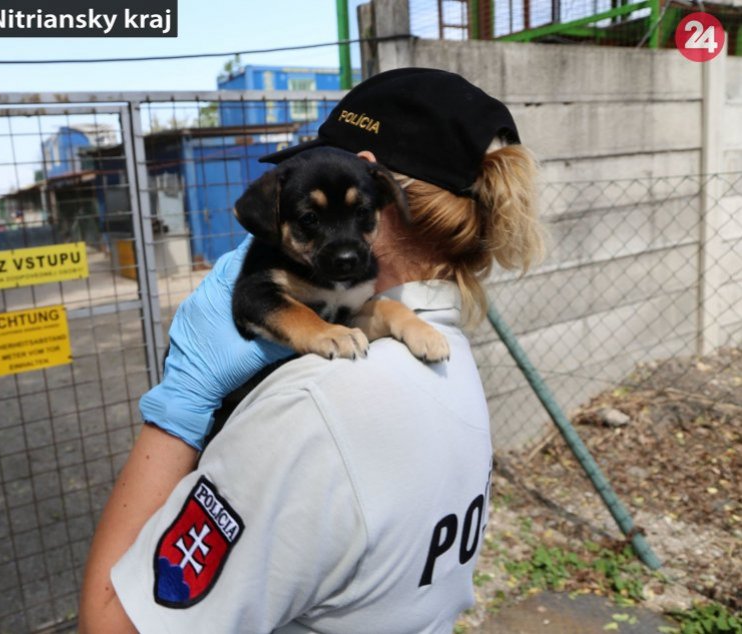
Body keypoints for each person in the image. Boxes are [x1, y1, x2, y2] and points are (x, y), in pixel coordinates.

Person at [79, 68, 546, 633]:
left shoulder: (311, 410)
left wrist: (179, 410)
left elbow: (109, 623)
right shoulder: (450, 358)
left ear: (371, 181)